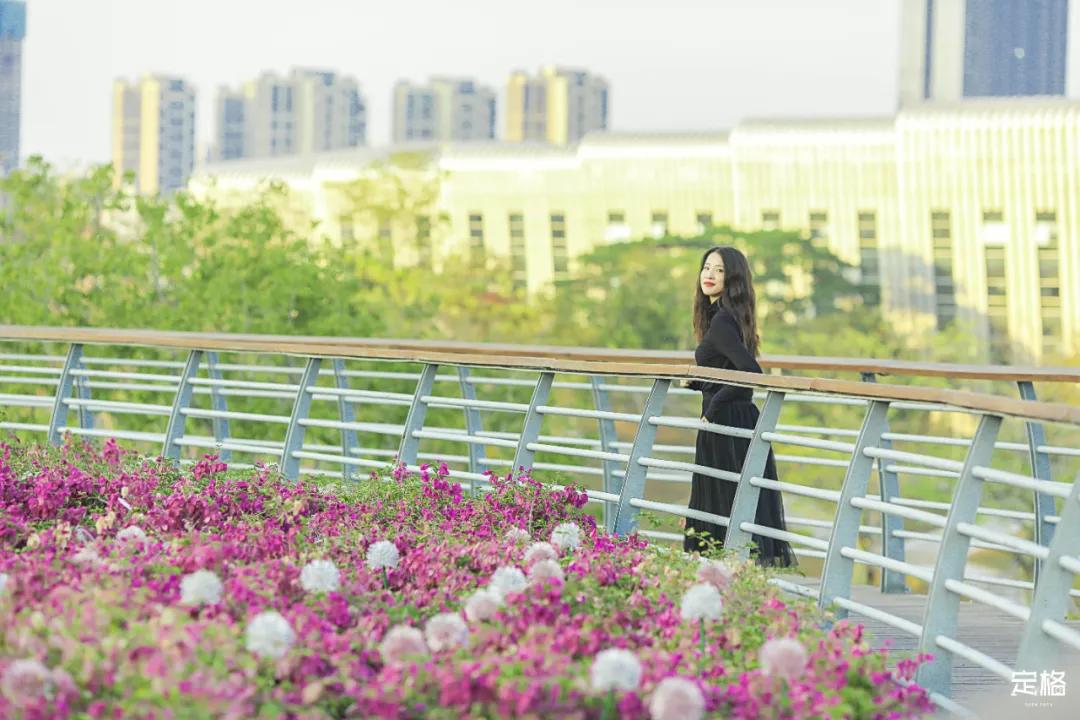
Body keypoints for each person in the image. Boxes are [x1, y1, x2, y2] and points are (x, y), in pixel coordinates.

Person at [683, 245, 797, 568]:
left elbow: (749, 373)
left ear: (732, 278)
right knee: (731, 502)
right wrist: (698, 383)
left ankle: (724, 576)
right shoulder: (725, 317)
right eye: (707, 267)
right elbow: (728, 371)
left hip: (726, 420)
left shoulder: (722, 321)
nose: (709, 275)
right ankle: (731, 575)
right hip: (733, 417)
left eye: (719, 270)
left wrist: (713, 407)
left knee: (725, 502)